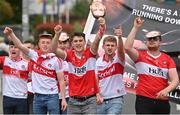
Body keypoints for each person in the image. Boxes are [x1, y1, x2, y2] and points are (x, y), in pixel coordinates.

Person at [3, 27, 67, 114]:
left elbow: (61, 81)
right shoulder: (34, 55)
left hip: (52, 97)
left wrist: (63, 99)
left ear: (51, 44)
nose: (45, 45)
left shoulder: (56, 60)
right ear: (39, 45)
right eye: (43, 42)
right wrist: (11, 34)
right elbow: (20, 45)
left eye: (48, 43)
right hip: (37, 97)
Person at [124, 17, 179, 114]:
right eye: (149, 39)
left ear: (160, 42)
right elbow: (127, 47)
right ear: (146, 41)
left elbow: (175, 80)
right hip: (144, 100)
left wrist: (166, 90)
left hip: (162, 101)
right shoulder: (140, 56)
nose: (152, 40)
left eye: (155, 38)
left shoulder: (168, 59)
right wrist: (135, 27)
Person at [51, 17, 106, 114]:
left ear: (85, 42)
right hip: (73, 102)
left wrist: (102, 26)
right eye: (75, 41)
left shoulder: (90, 52)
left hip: (90, 101)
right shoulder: (69, 55)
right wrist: (57, 34)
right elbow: (54, 49)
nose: (78, 43)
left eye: (81, 41)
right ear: (72, 44)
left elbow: (97, 39)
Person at [96, 26, 126, 114]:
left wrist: (120, 38)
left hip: (116, 99)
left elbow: (121, 51)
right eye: (107, 45)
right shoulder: (98, 61)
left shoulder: (119, 58)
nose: (110, 47)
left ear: (116, 47)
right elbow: (96, 79)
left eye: (112, 46)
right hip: (101, 100)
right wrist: (97, 94)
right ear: (103, 47)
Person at [0, 41, 28, 114]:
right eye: (11, 47)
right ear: (9, 49)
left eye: (16, 47)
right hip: (7, 97)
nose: (13, 49)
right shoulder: (4, 60)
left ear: (20, 49)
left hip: (22, 98)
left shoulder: (26, 64)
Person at [58, 32, 71, 114]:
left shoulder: (74, 57)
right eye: (60, 43)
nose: (62, 45)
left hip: (68, 96)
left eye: (65, 43)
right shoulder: (51, 57)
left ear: (69, 44)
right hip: (53, 96)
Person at [22, 39, 35, 114]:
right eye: (25, 48)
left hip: (34, 95)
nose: (27, 50)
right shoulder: (17, 62)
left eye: (29, 48)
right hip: (21, 95)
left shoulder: (37, 62)